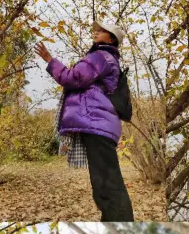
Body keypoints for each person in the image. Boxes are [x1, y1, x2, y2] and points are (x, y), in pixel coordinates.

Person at [34, 22, 134, 222]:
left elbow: (72, 78)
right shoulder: (108, 58)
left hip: (98, 125)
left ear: (111, 39)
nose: (96, 32)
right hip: (100, 125)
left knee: (106, 184)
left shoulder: (100, 57)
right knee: (103, 182)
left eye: (102, 31)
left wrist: (49, 60)